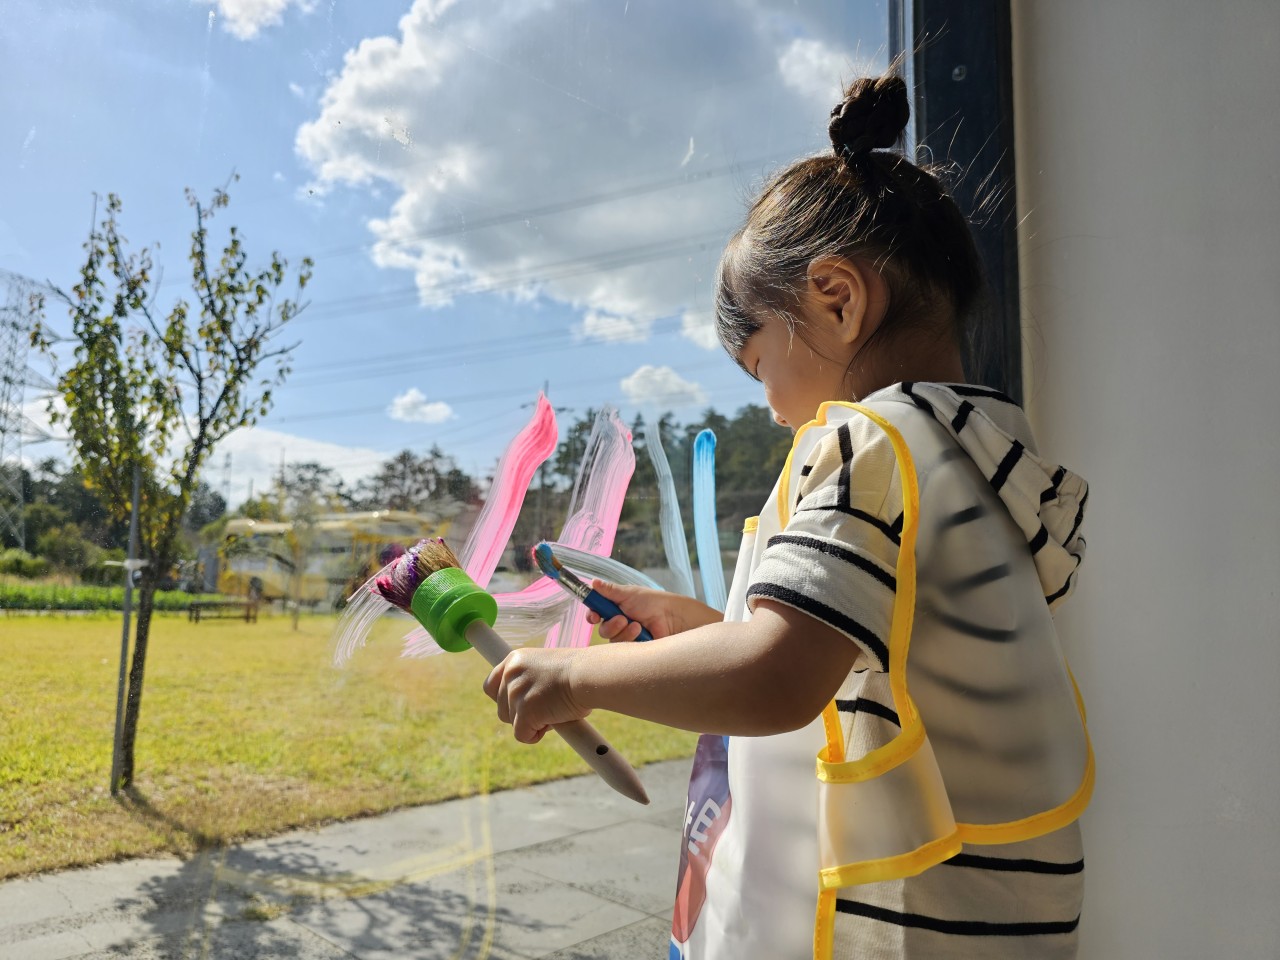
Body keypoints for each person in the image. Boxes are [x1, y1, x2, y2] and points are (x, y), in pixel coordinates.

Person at [484, 72, 1093, 960]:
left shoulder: (867, 447)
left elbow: (777, 678)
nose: (770, 406)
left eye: (759, 362)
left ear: (837, 300)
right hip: (1002, 910)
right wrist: (706, 630)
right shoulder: (983, 450)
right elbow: (860, 654)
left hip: (900, 917)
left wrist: (573, 682)